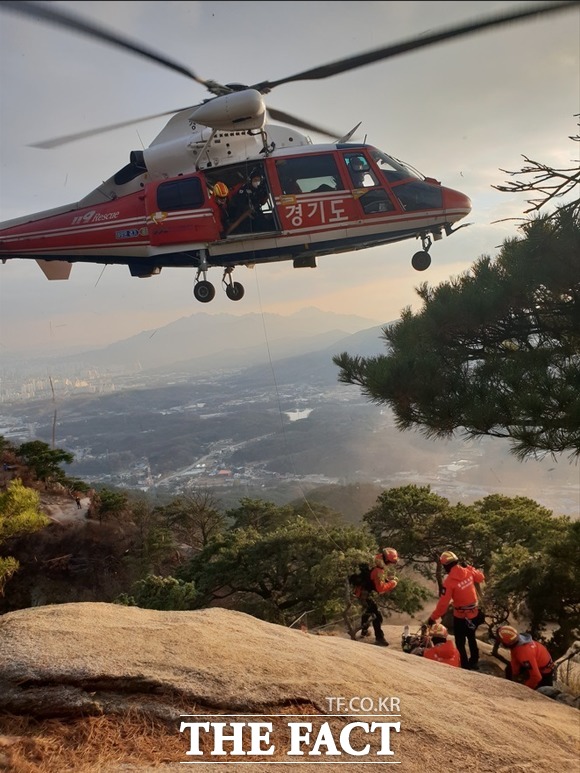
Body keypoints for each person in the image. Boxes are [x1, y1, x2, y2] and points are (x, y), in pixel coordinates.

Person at [427, 550, 485, 671]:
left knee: (460, 642)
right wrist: (469, 566)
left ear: (446, 566)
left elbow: (443, 604)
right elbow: (480, 577)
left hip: (460, 616)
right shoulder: (468, 571)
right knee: (471, 637)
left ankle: (465, 666)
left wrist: (433, 617)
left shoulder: (449, 582)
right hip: (473, 614)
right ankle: (474, 662)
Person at [350, 547, 399, 647]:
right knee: (377, 616)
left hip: (361, 591)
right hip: (365, 594)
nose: (390, 564)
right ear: (386, 560)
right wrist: (392, 583)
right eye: (390, 562)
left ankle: (364, 631)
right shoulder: (378, 570)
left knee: (368, 612)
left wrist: (386, 580)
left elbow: (372, 578)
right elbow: (380, 589)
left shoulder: (376, 560)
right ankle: (379, 638)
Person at [497, 625, 554, 690]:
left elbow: (536, 677)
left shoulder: (524, 653)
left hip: (544, 672)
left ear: (507, 643)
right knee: (509, 669)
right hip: (537, 663)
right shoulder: (517, 641)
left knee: (543, 693)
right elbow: (515, 659)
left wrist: (524, 690)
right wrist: (515, 673)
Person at [227, 167, 270, 234]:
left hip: (255, 213)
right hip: (243, 216)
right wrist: (247, 211)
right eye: (255, 180)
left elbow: (261, 202)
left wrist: (267, 195)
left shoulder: (259, 189)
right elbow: (240, 204)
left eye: (259, 180)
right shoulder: (244, 189)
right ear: (251, 180)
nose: (257, 182)